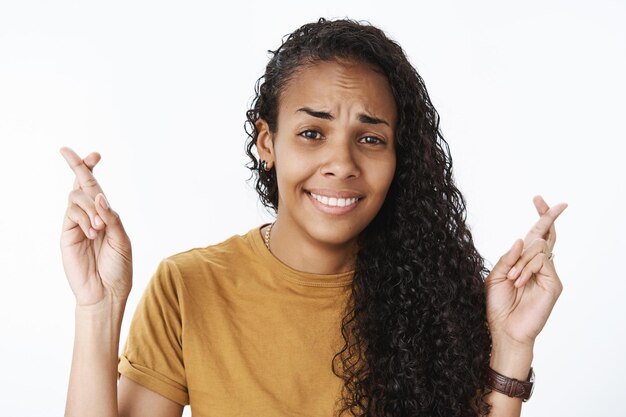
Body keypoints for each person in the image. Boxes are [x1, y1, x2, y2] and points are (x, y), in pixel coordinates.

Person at [60, 17, 567, 417]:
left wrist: (512, 343)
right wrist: (98, 310)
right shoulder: (188, 288)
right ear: (267, 143)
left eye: (371, 139)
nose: (342, 164)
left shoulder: (431, 296)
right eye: (311, 133)